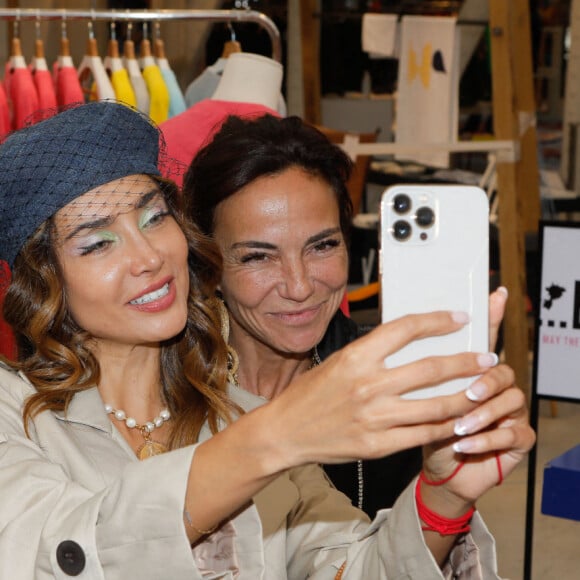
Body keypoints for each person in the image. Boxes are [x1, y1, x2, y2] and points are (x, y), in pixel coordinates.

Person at [0, 101, 534, 579]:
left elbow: (345, 566)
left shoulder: (243, 418)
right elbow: (57, 550)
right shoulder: (17, 415)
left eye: (154, 217)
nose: (149, 257)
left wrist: (442, 497)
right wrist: (278, 435)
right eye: (98, 244)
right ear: (43, 279)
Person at [181, 113, 509, 516]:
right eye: (258, 256)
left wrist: (447, 497)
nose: (299, 287)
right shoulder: (170, 382)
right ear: (211, 268)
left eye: (321, 246)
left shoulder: (394, 385)